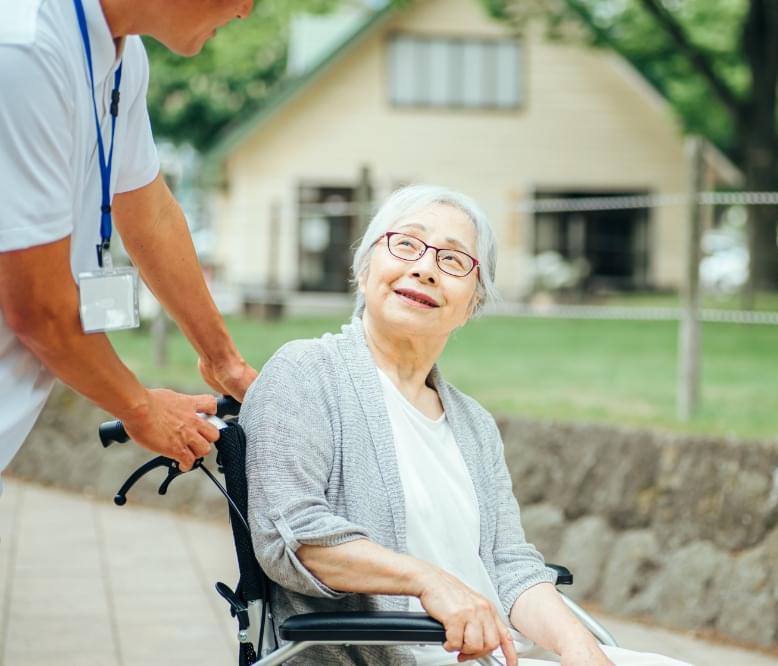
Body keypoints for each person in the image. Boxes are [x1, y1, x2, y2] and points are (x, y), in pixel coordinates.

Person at [242, 186, 691, 665]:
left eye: (454, 260)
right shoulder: (307, 372)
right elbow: (293, 537)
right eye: (407, 245)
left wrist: (579, 646)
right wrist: (429, 579)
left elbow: (509, 566)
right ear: (365, 267)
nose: (425, 268)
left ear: (473, 303)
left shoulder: (473, 424)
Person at [0, 0, 257, 486]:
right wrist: (141, 408)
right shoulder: (24, 49)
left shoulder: (122, 58)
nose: (246, 12)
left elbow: (148, 210)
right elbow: (38, 311)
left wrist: (225, 363)